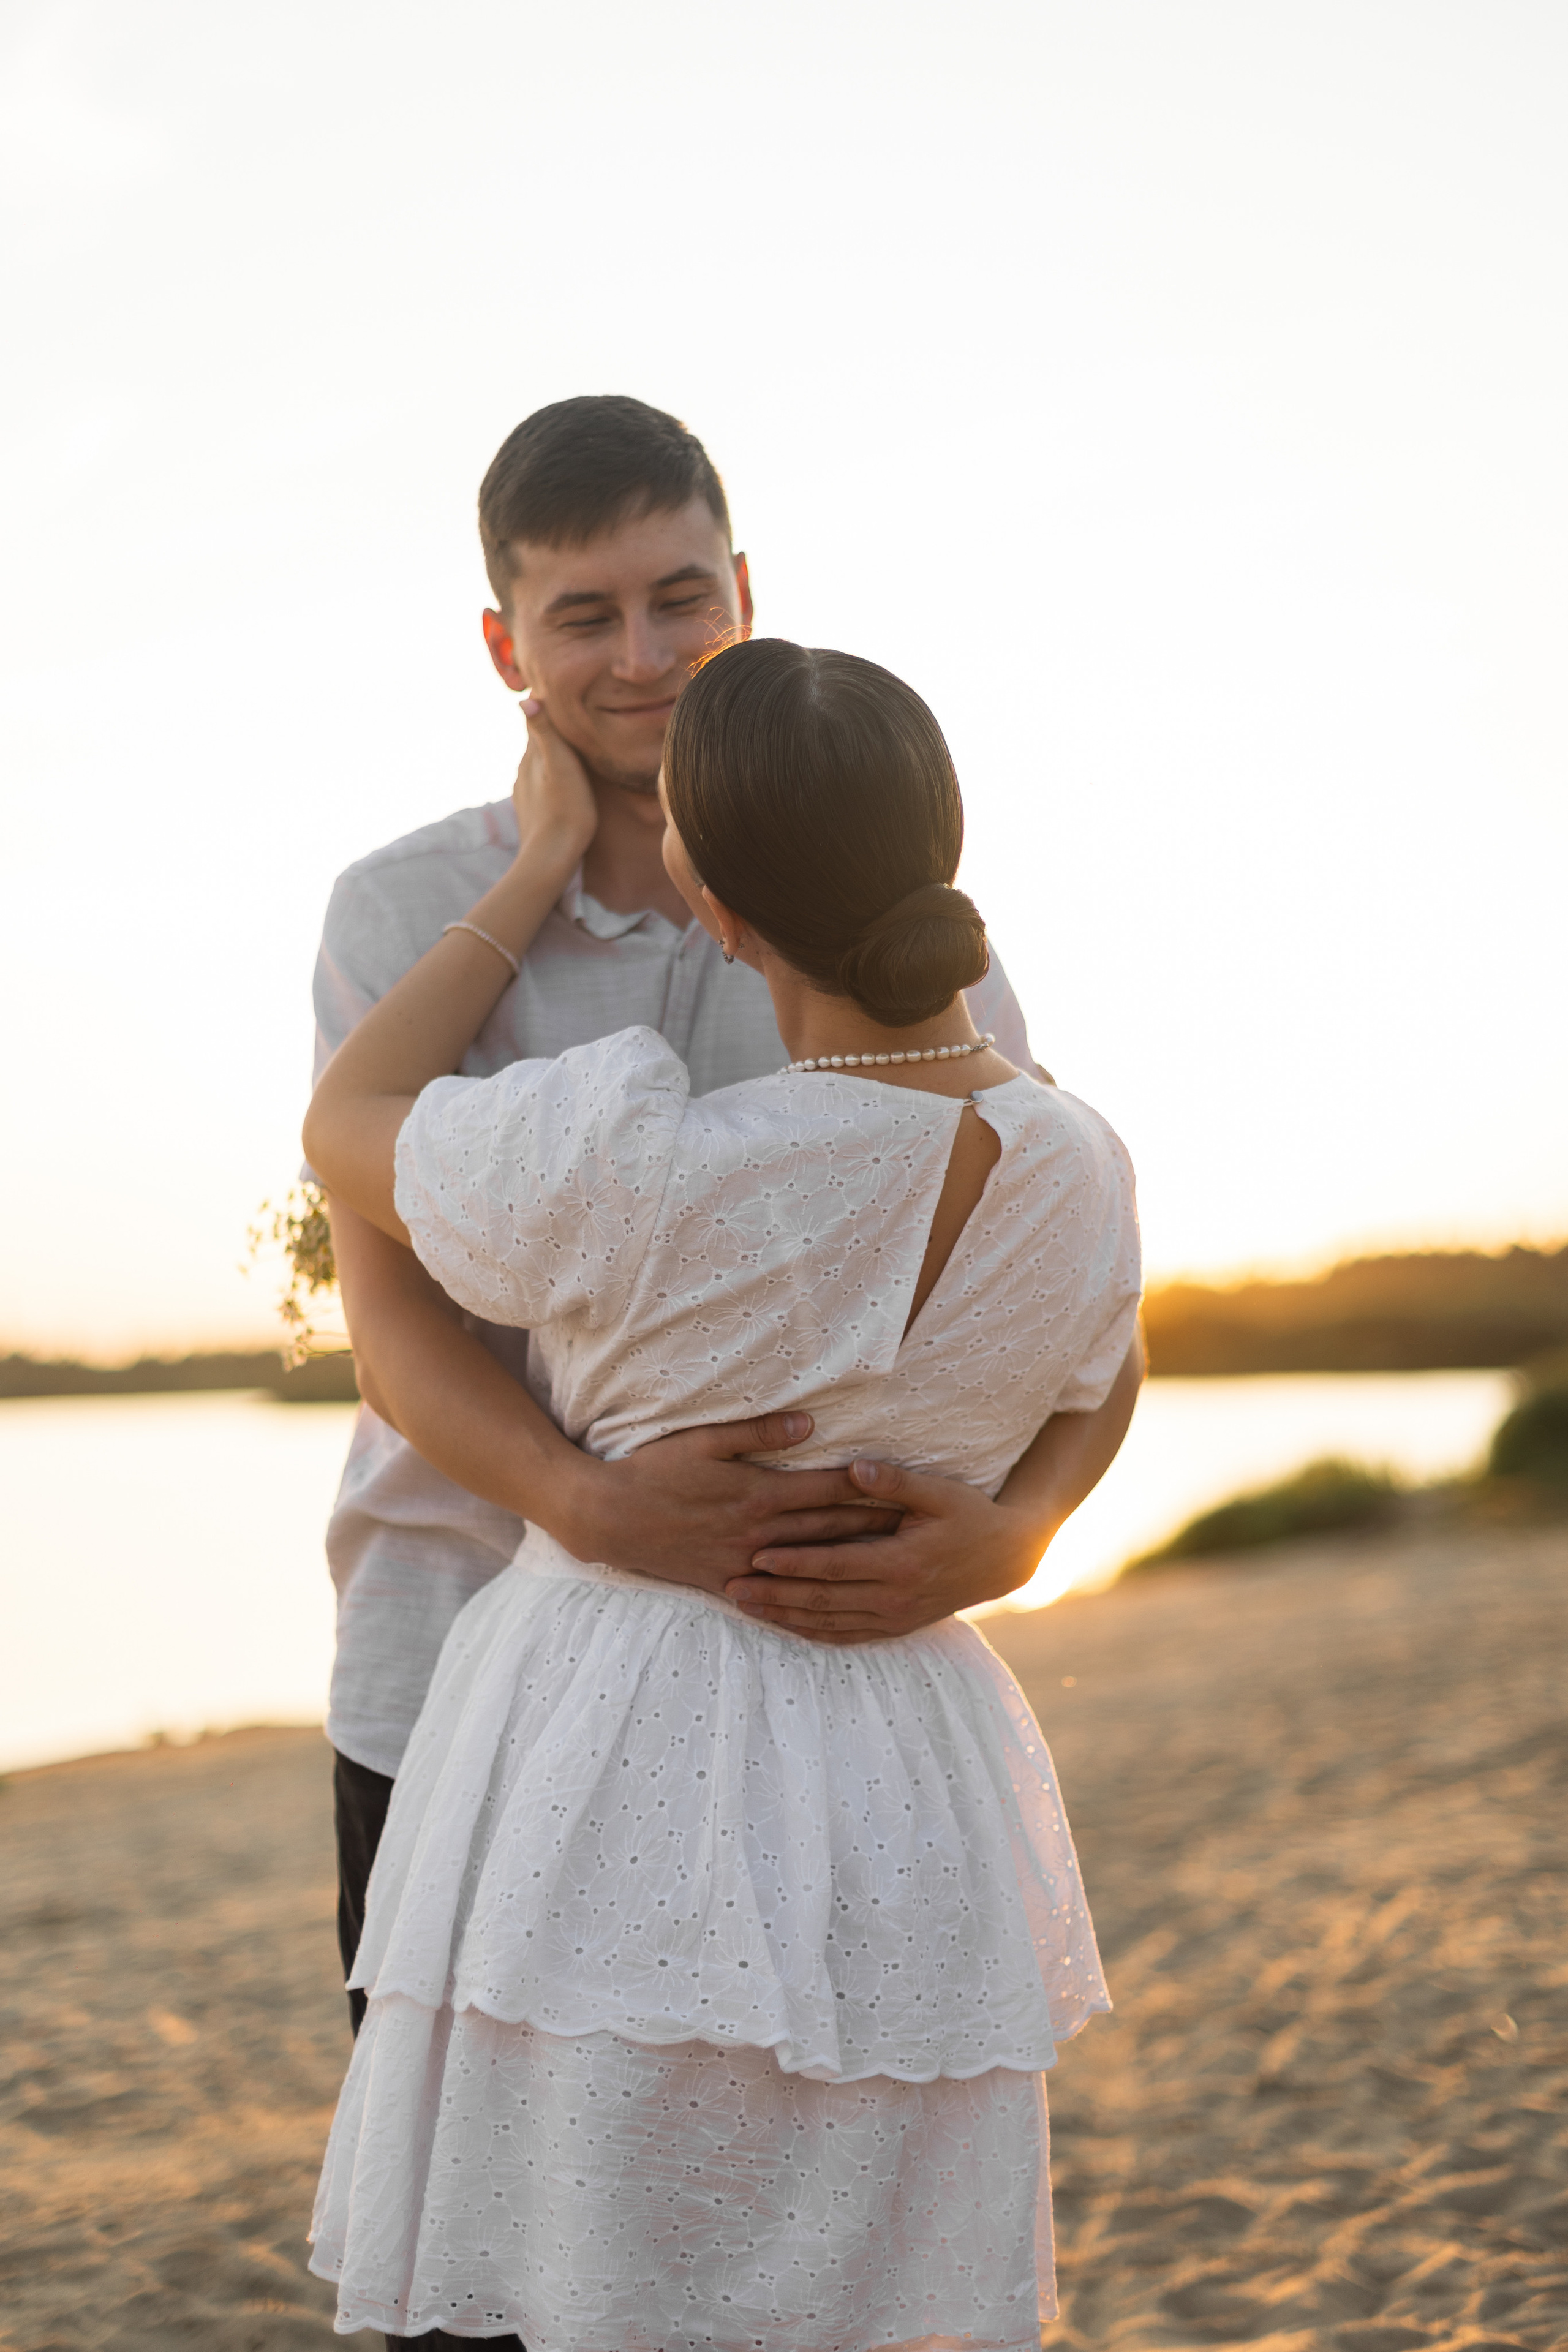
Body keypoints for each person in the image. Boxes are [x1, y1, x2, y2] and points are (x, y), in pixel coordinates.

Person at [302, 636, 1142, 2347]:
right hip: (909, 1758)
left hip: (621, 1758)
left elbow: (351, 1123)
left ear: (718, 901)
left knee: (596, 2272)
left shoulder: (646, 1168)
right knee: (859, 2275)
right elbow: (1105, 1373)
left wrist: (529, 865)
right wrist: (1021, 1523)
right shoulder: (1081, 1160)